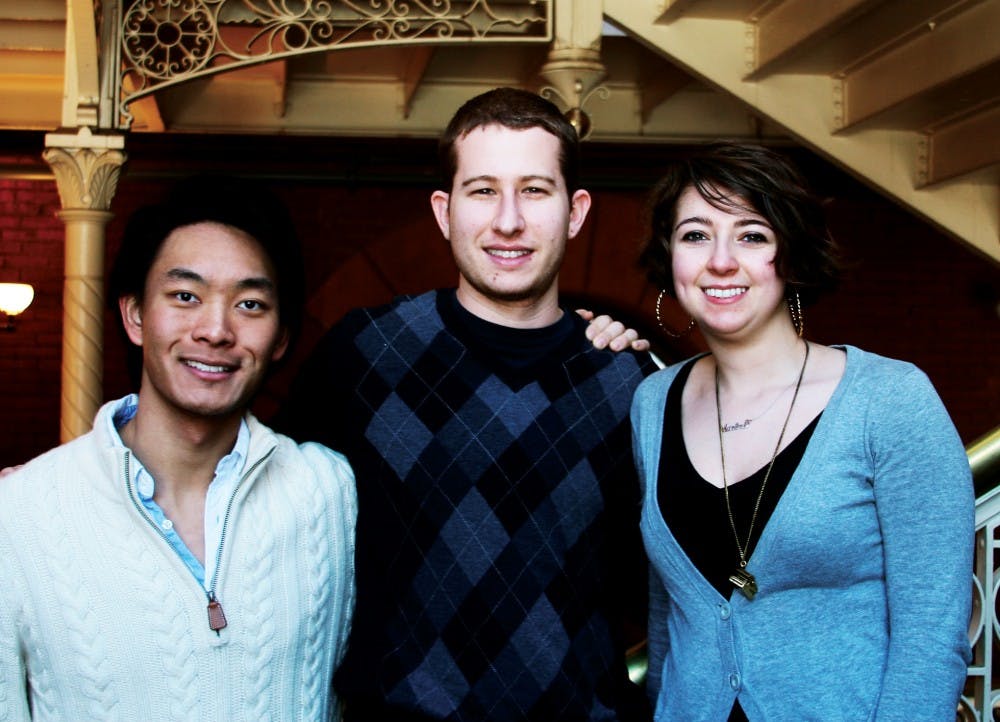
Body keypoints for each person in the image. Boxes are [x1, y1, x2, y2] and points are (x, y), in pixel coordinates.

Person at [275, 87, 656, 721]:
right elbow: (275, 531)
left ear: (575, 212)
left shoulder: (626, 381)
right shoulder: (365, 354)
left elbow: (663, 585)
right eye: (483, 191)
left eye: (535, 190)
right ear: (444, 211)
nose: (508, 219)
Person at [630, 142, 974, 721]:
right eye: (695, 235)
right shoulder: (651, 403)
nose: (720, 260)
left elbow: (932, 641)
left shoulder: (889, 400)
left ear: (790, 255)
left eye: (752, 235)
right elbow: (669, 618)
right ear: (670, 258)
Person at [0, 177, 356, 720]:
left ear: (281, 337)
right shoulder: (22, 511)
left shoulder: (329, 493)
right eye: (185, 296)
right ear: (136, 315)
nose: (215, 330)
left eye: (251, 304)